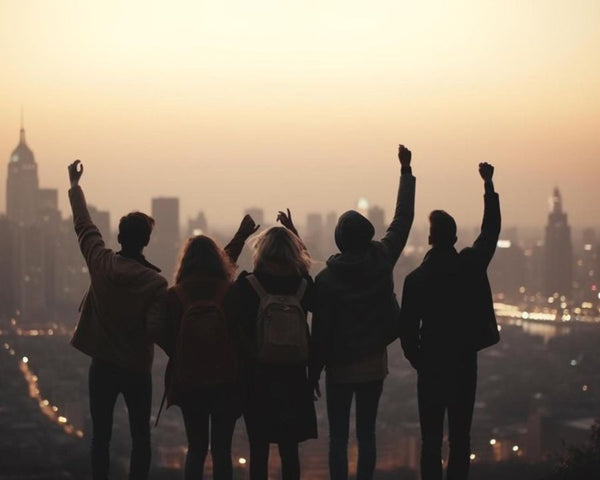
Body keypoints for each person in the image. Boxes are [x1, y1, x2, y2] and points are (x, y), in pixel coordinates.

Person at [310, 144, 416, 480]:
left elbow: (321, 329)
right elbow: (403, 218)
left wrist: (313, 372)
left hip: (338, 366)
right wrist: (405, 171)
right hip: (373, 362)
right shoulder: (383, 258)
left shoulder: (327, 279)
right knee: (366, 434)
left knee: (338, 437)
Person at [67, 160, 168, 480]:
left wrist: (74, 186)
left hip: (103, 365)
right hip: (137, 369)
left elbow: (84, 226)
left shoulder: (101, 262)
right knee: (141, 438)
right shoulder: (155, 283)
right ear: (146, 242)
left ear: (120, 236)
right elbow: (154, 328)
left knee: (101, 437)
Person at [399, 162, 501, 480]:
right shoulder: (470, 265)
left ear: (430, 238)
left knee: (431, 440)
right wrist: (488, 185)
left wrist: (420, 360)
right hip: (463, 362)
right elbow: (490, 231)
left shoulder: (417, 279)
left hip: (431, 364)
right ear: (455, 237)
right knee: (460, 438)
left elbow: (405, 332)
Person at [147, 216, 259, 480]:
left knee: (196, 448)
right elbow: (241, 331)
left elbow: (162, 333)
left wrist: (179, 351)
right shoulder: (230, 292)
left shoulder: (175, 295)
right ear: (217, 261)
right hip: (227, 380)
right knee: (222, 450)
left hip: (190, 381)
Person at [225, 218, 317, 480]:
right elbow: (309, 274)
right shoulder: (302, 286)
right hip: (295, 375)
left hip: (258, 376)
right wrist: (296, 234)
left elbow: (235, 326)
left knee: (259, 449)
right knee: (290, 451)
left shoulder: (248, 285)